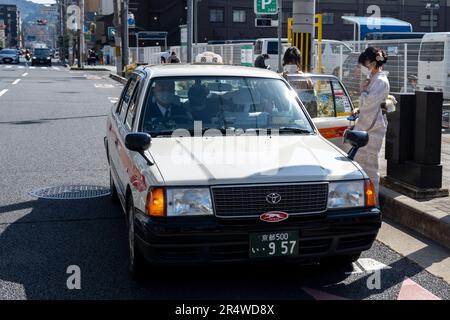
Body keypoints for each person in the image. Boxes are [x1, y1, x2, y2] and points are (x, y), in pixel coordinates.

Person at [353, 47, 390, 203]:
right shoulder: (373, 78)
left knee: (371, 167)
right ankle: (360, 199)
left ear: (374, 63)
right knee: (360, 165)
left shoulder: (381, 81)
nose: (365, 67)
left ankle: (372, 202)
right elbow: (366, 104)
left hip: (374, 128)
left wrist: (363, 91)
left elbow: (368, 103)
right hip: (368, 125)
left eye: (366, 64)